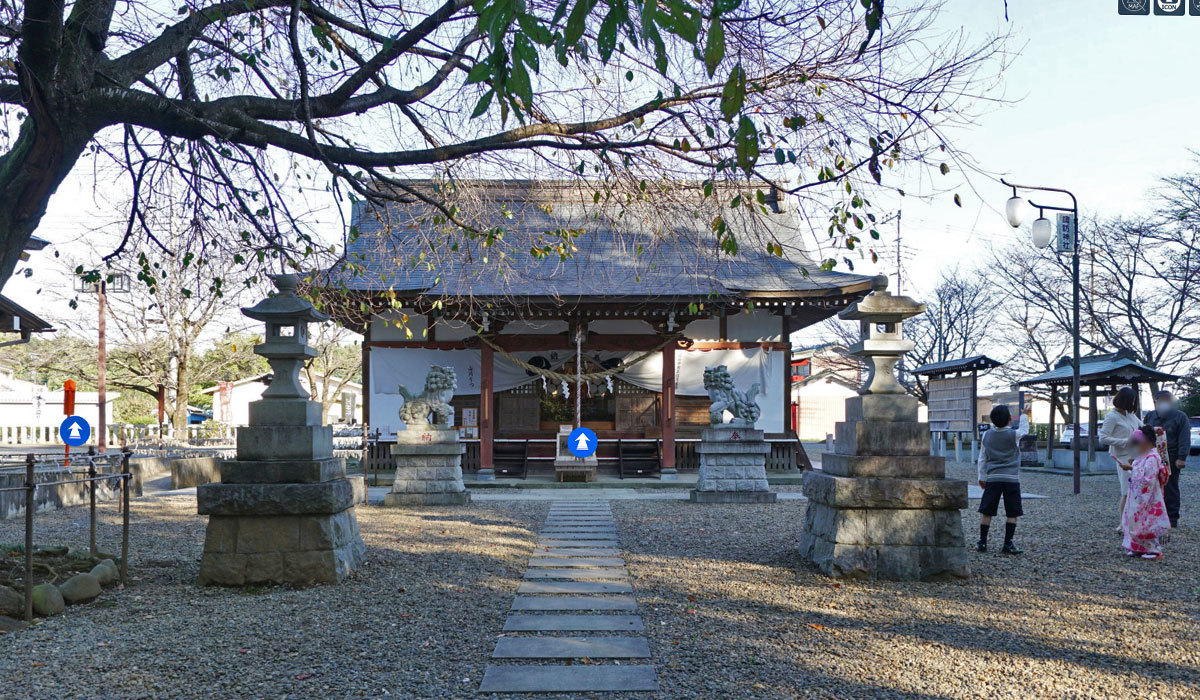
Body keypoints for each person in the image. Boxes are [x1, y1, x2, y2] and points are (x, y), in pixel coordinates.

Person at [976, 404, 1029, 554]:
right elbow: (1024, 430)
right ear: (1009, 420)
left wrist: (982, 477)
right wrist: (1024, 415)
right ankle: (1008, 544)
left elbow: (982, 458)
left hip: (993, 478)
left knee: (987, 510)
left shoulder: (986, 435)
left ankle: (982, 542)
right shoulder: (1014, 435)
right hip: (1011, 478)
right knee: (1012, 512)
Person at [1119, 426, 1171, 559]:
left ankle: (1153, 549)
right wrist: (1133, 465)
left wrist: (1131, 467)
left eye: (1138, 443)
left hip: (1149, 497)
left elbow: (1148, 478)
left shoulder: (1153, 457)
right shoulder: (1145, 456)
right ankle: (1137, 547)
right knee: (1136, 519)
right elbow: (1141, 473)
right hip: (1139, 495)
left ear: (1146, 442)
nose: (1137, 447)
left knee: (1148, 521)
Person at [1143, 390, 1190, 529]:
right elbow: (1143, 434)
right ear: (1155, 402)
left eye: (1167, 400)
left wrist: (1182, 457)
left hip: (1172, 456)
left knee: (1170, 487)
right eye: (1161, 400)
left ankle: (1172, 517)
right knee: (1150, 485)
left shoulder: (1180, 416)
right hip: (1152, 456)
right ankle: (1153, 515)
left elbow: (1184, 438)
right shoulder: (1150, 416)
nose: (1164, 403)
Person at [1098, 387, 1142, 530]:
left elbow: (1143, 427)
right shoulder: (1112, 417)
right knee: (1126, 490)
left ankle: (1134, 521)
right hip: (1122, 456)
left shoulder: (1130, 415)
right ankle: (1123, 523)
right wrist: (1125, 441)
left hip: (1136, 454)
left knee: (1136, 489)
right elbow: (1103, 438)